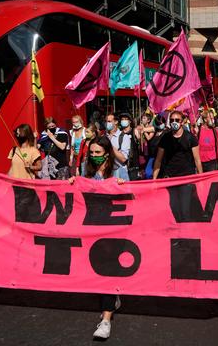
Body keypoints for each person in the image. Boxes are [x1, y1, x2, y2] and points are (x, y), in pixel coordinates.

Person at [80, 136, 126, 339]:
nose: (94, 156)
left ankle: (106, 320)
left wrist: (123, 186)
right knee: (97, 270)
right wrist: (73, 184)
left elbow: (131, 196)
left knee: (107, 270)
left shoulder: (119, 171)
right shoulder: (85, 168)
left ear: (107, 152)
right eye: (92, 152)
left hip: (114, 229)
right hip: (92, 226)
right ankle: (113, 296)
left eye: (98, 152)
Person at [153, 111, 202, 179]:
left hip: (187, 177)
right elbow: (158, 160)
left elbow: (197, 160)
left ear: (182, 122)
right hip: (170, 177)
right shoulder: (165, 138)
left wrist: (201, 178)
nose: (174, 122)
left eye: (177, 120)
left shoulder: (190, 138)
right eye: (172, 120)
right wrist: (154, 179)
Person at [106, 113, 131, 181]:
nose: (107, 123)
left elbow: (123, 159)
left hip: (119, 172)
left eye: (109, 121)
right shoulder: (104, 136)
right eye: (106, 121)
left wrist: (110, 146)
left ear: (116, 122)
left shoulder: (124, 137)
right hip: (107, 172)